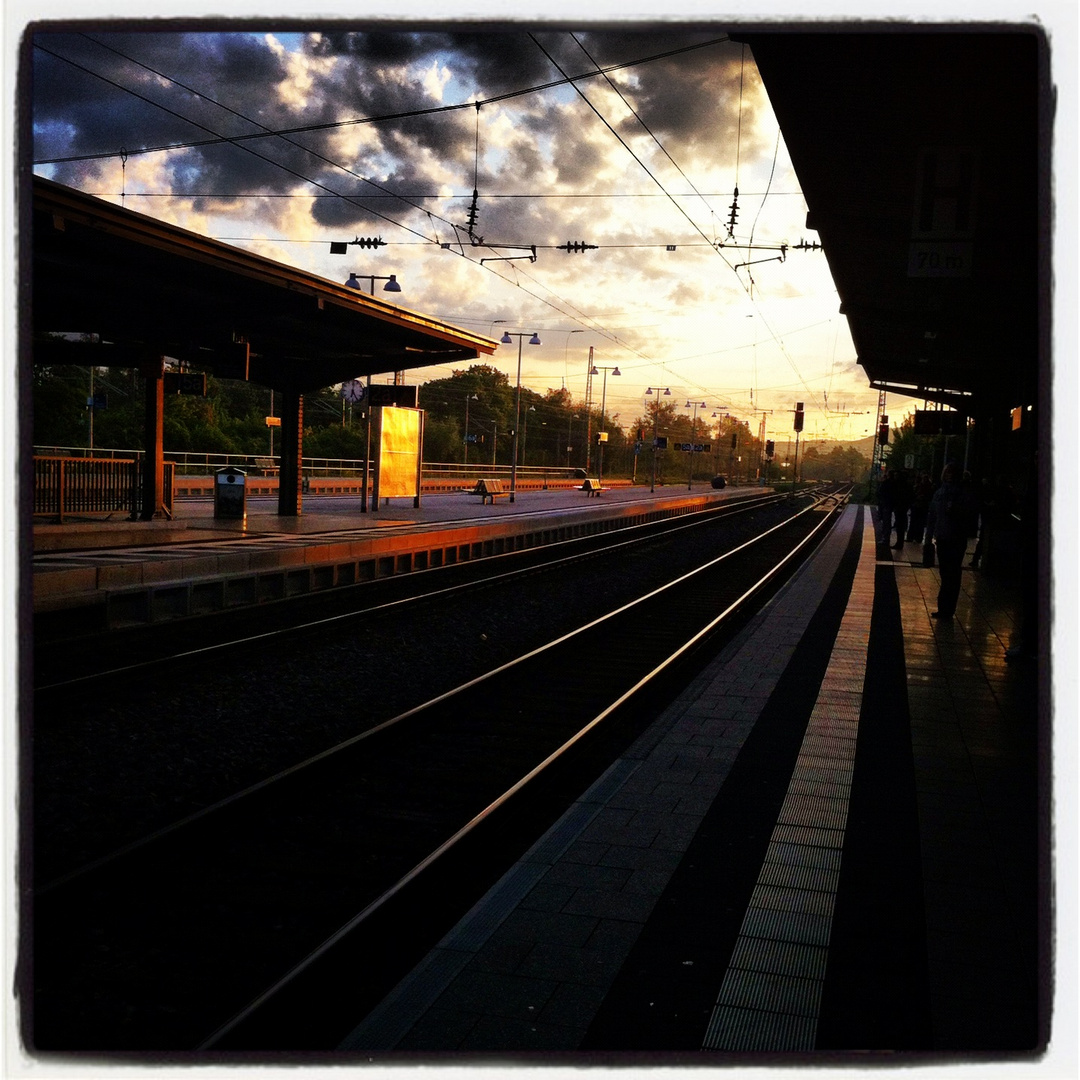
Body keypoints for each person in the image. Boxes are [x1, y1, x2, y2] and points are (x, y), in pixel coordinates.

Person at [925, 461, 980, 620]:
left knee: (951, 574)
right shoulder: (945, 493)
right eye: (948, 473)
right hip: (944, 537)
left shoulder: (954, 494)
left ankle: (946, 609)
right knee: (947, 573)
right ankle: (945, 608)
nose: (949, 476)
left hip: (953, 537)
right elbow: (932, 515)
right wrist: (929, 535)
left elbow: (969, 514)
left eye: (951, 473)